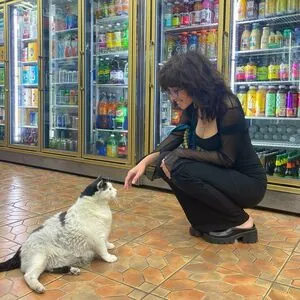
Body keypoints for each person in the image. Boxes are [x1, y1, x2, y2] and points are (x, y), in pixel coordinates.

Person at [124, 51, 267, 244]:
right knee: (165, 165)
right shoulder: (194, 108)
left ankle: (242, 222)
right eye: (170, 92)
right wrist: (144, 161)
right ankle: (206, 222)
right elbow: (175, 136)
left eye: (176, 91)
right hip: (223, 178)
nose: (173, 98)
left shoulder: (228, 106)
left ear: (194, 84)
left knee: (178, 164)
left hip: (248, 184)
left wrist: (180, 154)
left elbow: (227, 158)